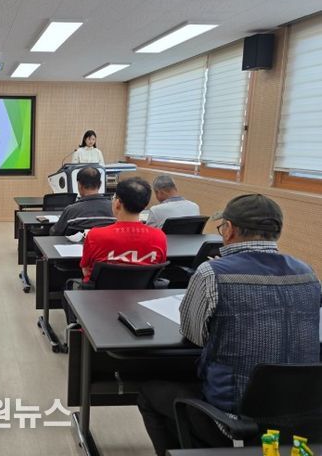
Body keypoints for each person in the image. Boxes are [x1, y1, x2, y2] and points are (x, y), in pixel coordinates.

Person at [137, 194, 321, 455]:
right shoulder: (307, 272)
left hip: (233, 418)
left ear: (230, 229)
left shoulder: (211, 273)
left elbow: (194, 335)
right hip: (301, 416)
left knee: (149, 392)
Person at [79, 176, 167, 282]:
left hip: (100, 291)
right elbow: (158, 270)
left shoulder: (95, 235)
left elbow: (86, 270)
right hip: (143, 292)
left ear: (117, 203)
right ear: (145, 205)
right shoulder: (159, 237)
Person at [49, 166, 113, 235]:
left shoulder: (70, 211)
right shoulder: (113, 209)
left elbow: (55, 232)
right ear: (100, 184)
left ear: (79, 185)